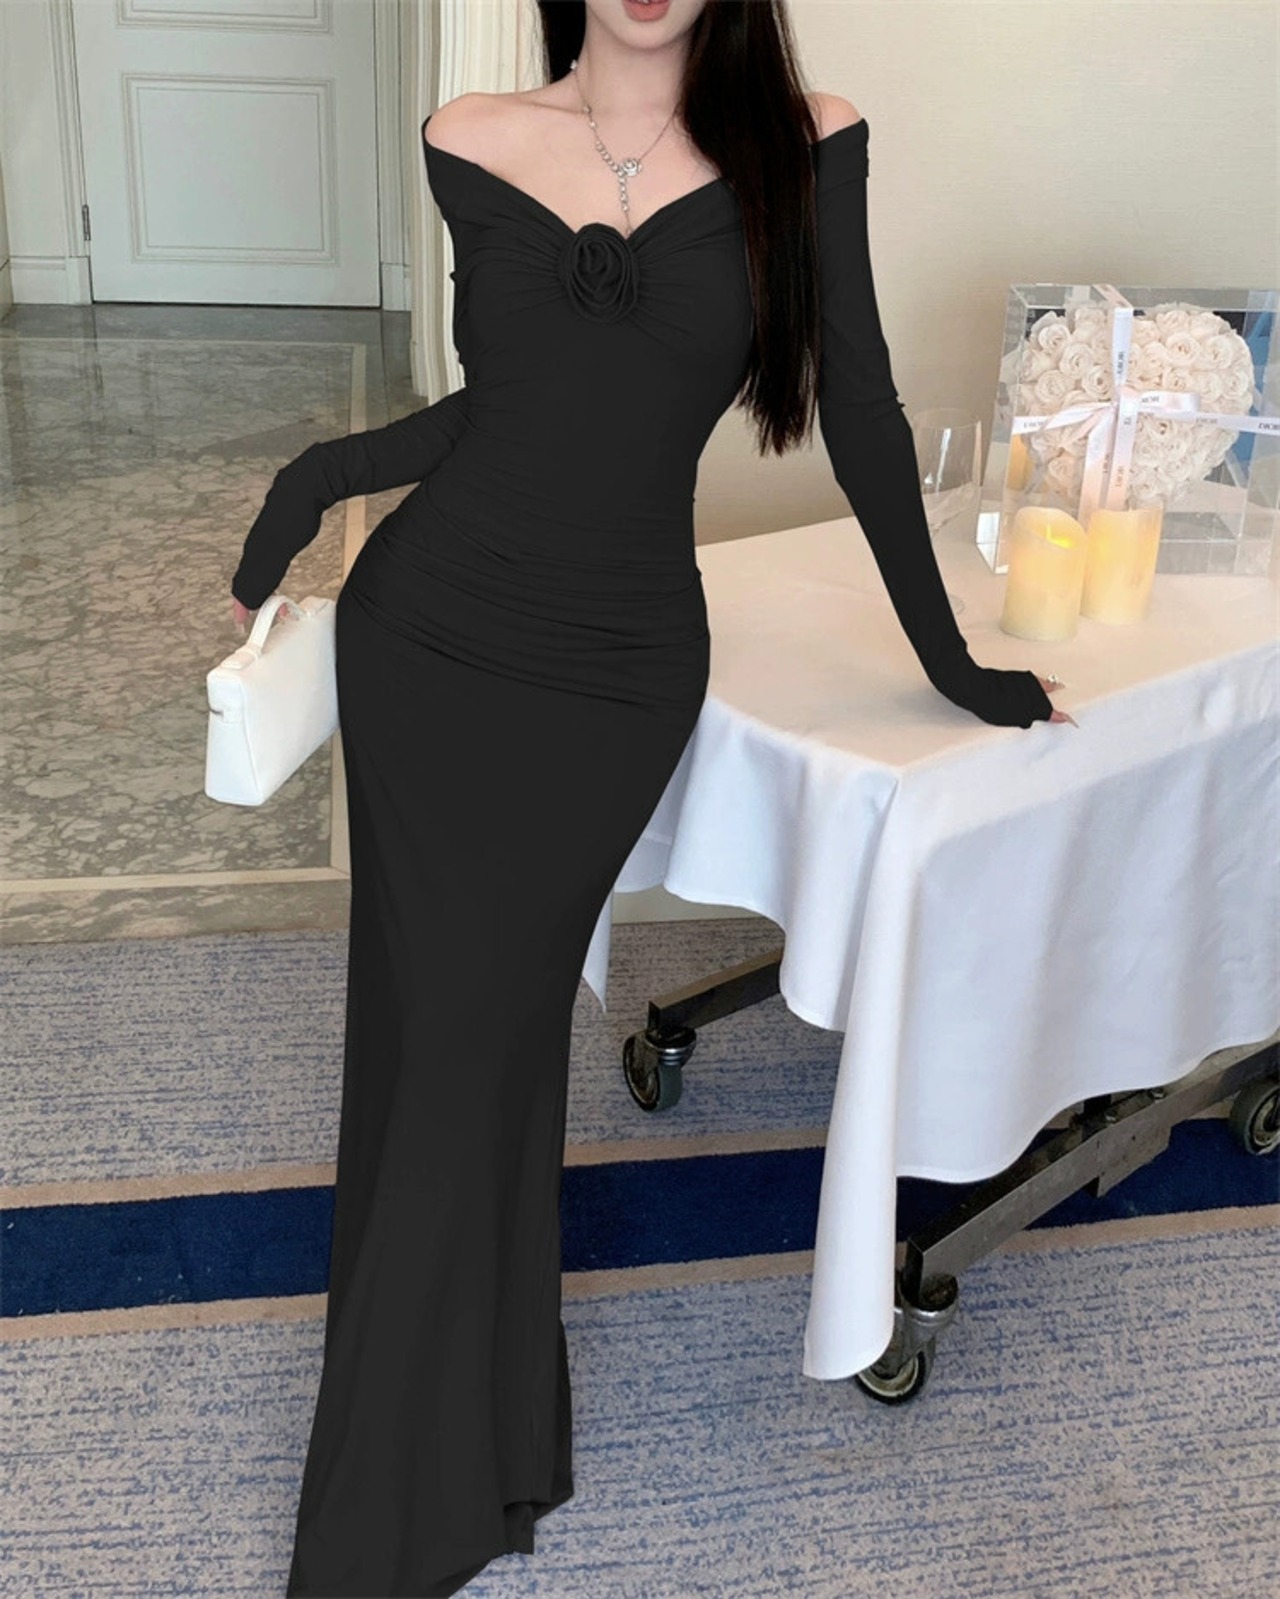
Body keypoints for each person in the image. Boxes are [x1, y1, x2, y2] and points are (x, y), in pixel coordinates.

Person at [230, 2, 1074, 1592]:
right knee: (434, 1042)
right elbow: (513, 403)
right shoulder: (472, 137)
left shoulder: (806, 146)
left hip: (612, 674)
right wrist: (325, 476)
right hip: (428, 643)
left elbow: (863, 412)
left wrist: (953, 664)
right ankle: (464, 1456)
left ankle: (436, 1469)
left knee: (476, 1033)